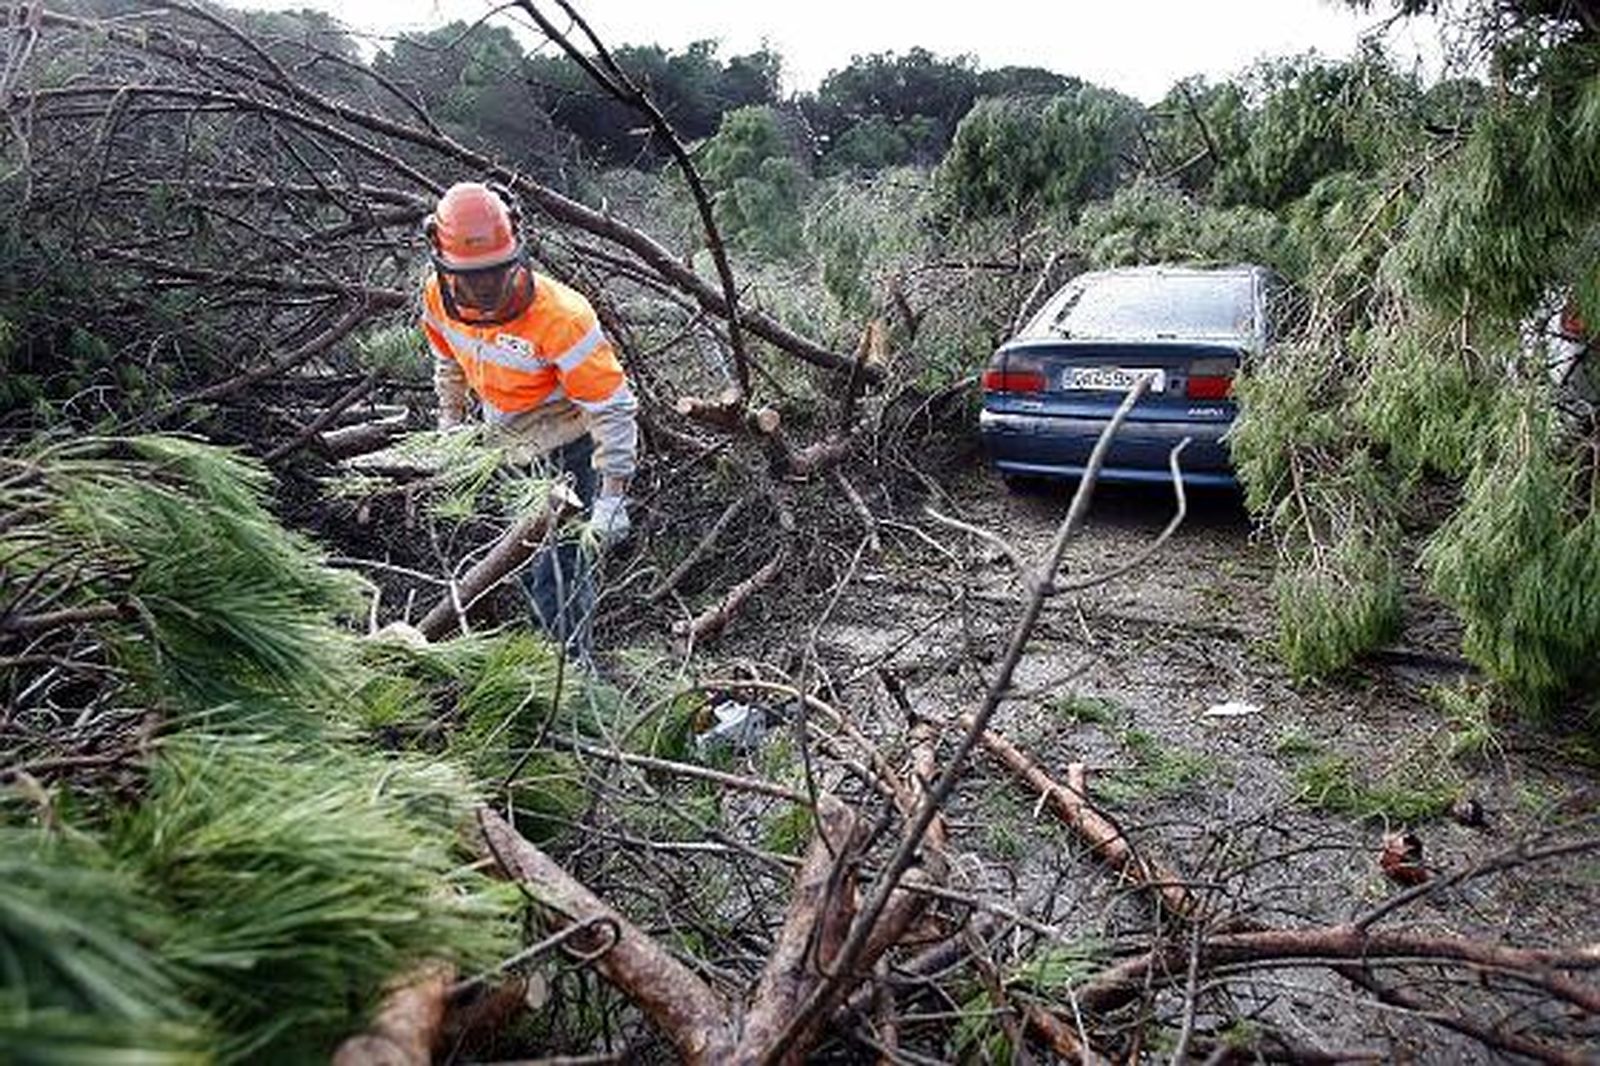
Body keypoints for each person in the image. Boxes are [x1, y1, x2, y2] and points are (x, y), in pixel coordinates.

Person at [418, 181, 637, 650]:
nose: (483, 290)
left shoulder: (561, 316)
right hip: (504, 449)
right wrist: (450, 425)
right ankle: (536, 667)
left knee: (558, 583)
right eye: (469, 278)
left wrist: (613, 492)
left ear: (516, 251)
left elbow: (612, 406)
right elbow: (449, 361)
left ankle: (575, 690)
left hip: (569, 455)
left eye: (493, 275)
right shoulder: (438, 296)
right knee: (516, 565)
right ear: (441, 260)